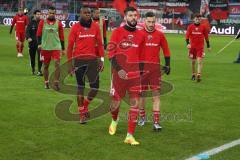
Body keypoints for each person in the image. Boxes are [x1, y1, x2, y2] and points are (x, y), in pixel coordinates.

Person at [108, 7, 145, 145]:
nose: (133, 17)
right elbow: (111, 55)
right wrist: (119, 70)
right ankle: (114, 119)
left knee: (134, 104)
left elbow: (142, 57)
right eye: (130, 15)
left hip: (135, 76)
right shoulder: (117, 32)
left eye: (135, 15)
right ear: (125, 17)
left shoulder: (141, 35)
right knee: (115, 103)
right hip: (119, 75)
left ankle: (130, 135)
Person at [67, 7, 104, 124]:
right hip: (79, 61)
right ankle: (81, 114)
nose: (88, 15)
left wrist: (102, 59)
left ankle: (86, 105)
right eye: (85, 13)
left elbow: (100, 44)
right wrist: (69, 64)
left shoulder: (96, 26)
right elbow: (69, 47)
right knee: (81, 87)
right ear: (81, 13)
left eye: (89, 13)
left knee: (95, 88)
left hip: (92, 61)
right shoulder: (75, 27)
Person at [138, 12, 171, 131]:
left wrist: (168, 65)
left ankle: (156, 122)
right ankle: (142, 118)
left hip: (155, 70)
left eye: (153, 22)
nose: (151, 24)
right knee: (142, 95)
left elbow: (166, 50)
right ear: (144, 21)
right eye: (149, 21)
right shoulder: (139, 34)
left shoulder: (160, 35)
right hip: (141, 70)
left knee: (156, 96)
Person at [37, 6, 65, 89]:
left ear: (55, 14)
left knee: (57, 64)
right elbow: (38, 34)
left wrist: (63, 48)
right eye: (50, 13)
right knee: (46, 66)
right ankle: (46, 83)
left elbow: (62, 37)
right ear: (47, 13)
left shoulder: (59, 23)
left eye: (53, 13)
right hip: (45, 48)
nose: (52, 14)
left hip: (56, 47)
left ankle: (56, 83)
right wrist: (39, 44)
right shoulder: (42, 22)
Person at [186, 14, 211, 82]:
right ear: (194, 19)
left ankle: (199, 75)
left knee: (199, 61)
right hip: (192, 48)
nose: (198, 20)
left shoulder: (203, 27)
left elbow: (206, 37)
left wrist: (208, 46)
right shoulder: (190, 27)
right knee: (193, 62)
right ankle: (193, 74)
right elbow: (187, 37)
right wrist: (188, 44)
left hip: (200, 47)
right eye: (196, 18)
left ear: (200, 19)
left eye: (199, 19)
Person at [26, 9, 42, 76]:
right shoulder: (30, 22)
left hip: (40, 43)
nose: (39, 15)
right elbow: (27, 31)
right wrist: (28, 37)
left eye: (39, 14)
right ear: (34, 15)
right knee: (32, 57)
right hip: (32, 43)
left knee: (40, 58)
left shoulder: (42, 22)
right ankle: (33, 69)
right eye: (37, 14)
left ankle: (39, 71)